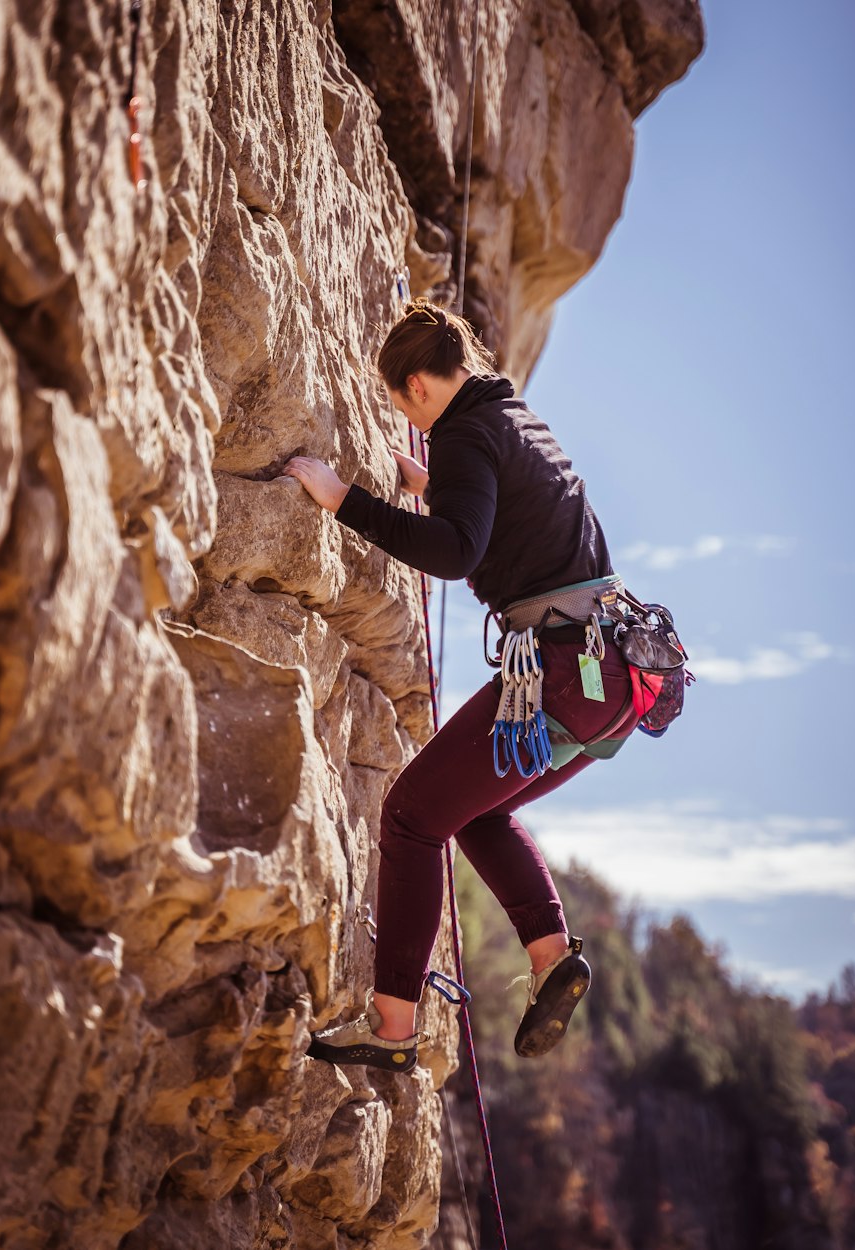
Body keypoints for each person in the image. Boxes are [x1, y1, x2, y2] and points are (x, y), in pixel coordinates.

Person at [285, 300, 643, 1073]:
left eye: (401, 406)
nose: (412, 424)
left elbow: (455, 552)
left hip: (560, 673)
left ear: (415, 385)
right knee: (476, 814)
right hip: (612, 679)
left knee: (411, 816)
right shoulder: (516, 418)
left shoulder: (463, 435)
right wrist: (433, 486)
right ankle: (552, 957)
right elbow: (508, 525)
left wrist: (343, 499)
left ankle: (390, 1030)